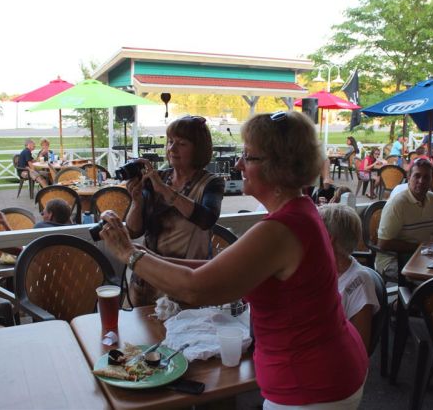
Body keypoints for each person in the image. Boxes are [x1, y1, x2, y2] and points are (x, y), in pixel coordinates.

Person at [101, 111, 368, 407]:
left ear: (277, 167)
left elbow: (196, 287)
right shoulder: (298, 212)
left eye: (248, 156)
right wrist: (147, 255)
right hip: (324, 372)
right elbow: (215, 271)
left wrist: (129, 254)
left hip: (312, 385)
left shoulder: (281, 229)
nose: (239, 164)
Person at [125, 115, 225, 305]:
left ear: (198, 149)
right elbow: (133, 231)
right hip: (147, 279)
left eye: (181, 143)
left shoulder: (211, 183)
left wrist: (164, 190)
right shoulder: (157, 178)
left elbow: (207, 219)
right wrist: (136, 201)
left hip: (186, 281)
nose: (172, 148)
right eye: (170, 142)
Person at [318, 204, 380, 353]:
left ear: (329, 239)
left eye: (315, 231)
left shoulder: (360, 282)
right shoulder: (319, 268)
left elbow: (360, 347)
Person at [376, 158, 433, 279]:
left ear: (432, 180)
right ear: (409, 178)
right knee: (427, 281)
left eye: (426, 177)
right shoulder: (398, 203)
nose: (421, 181)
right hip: (393, 259)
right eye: (417, 176)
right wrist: (421, 248)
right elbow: (383, 243)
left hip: (422, 257)